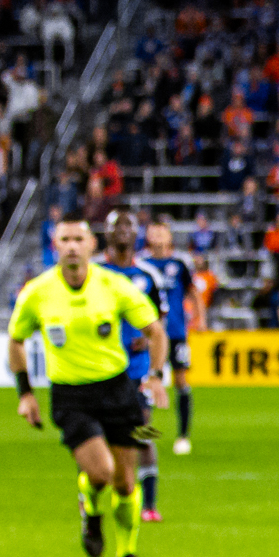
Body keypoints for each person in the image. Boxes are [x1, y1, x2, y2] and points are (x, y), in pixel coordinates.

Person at [7, 217, 168, 557]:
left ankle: (127, 554)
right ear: (55, 245)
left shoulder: (114, 285)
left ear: (92, 244)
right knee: (102, 471)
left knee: (126, 480)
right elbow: (16, 339)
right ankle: (91, 511)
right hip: (71, 396)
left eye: (79, 238)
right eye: (65, 239)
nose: (72, 246)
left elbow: (156, 331)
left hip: (117, 389)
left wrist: (155, 376)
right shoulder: (37, 291)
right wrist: (25, 395)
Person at [102, 209, 168, 519]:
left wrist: (149, 339)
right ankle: (92, 495)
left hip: (137, 369)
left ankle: (150, 505)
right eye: (118, 225)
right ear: (107, 232)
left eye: (129, 224)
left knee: (143, 431)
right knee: (97, 436)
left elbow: (160, 323)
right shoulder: (95, 273)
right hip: (101, 370)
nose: (124, 230)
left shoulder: (148, 276)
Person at [142, 220, 198, 454]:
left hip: (176, 333)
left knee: (181, 381)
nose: (157, 236)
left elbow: (193, 290)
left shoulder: (180, 262)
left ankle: (183, 436)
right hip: (149, 335)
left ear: (169, 236)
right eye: (152, 231)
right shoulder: (141, 264)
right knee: (145, 383)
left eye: (161, 231)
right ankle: (144, 434)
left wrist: (199, 317)